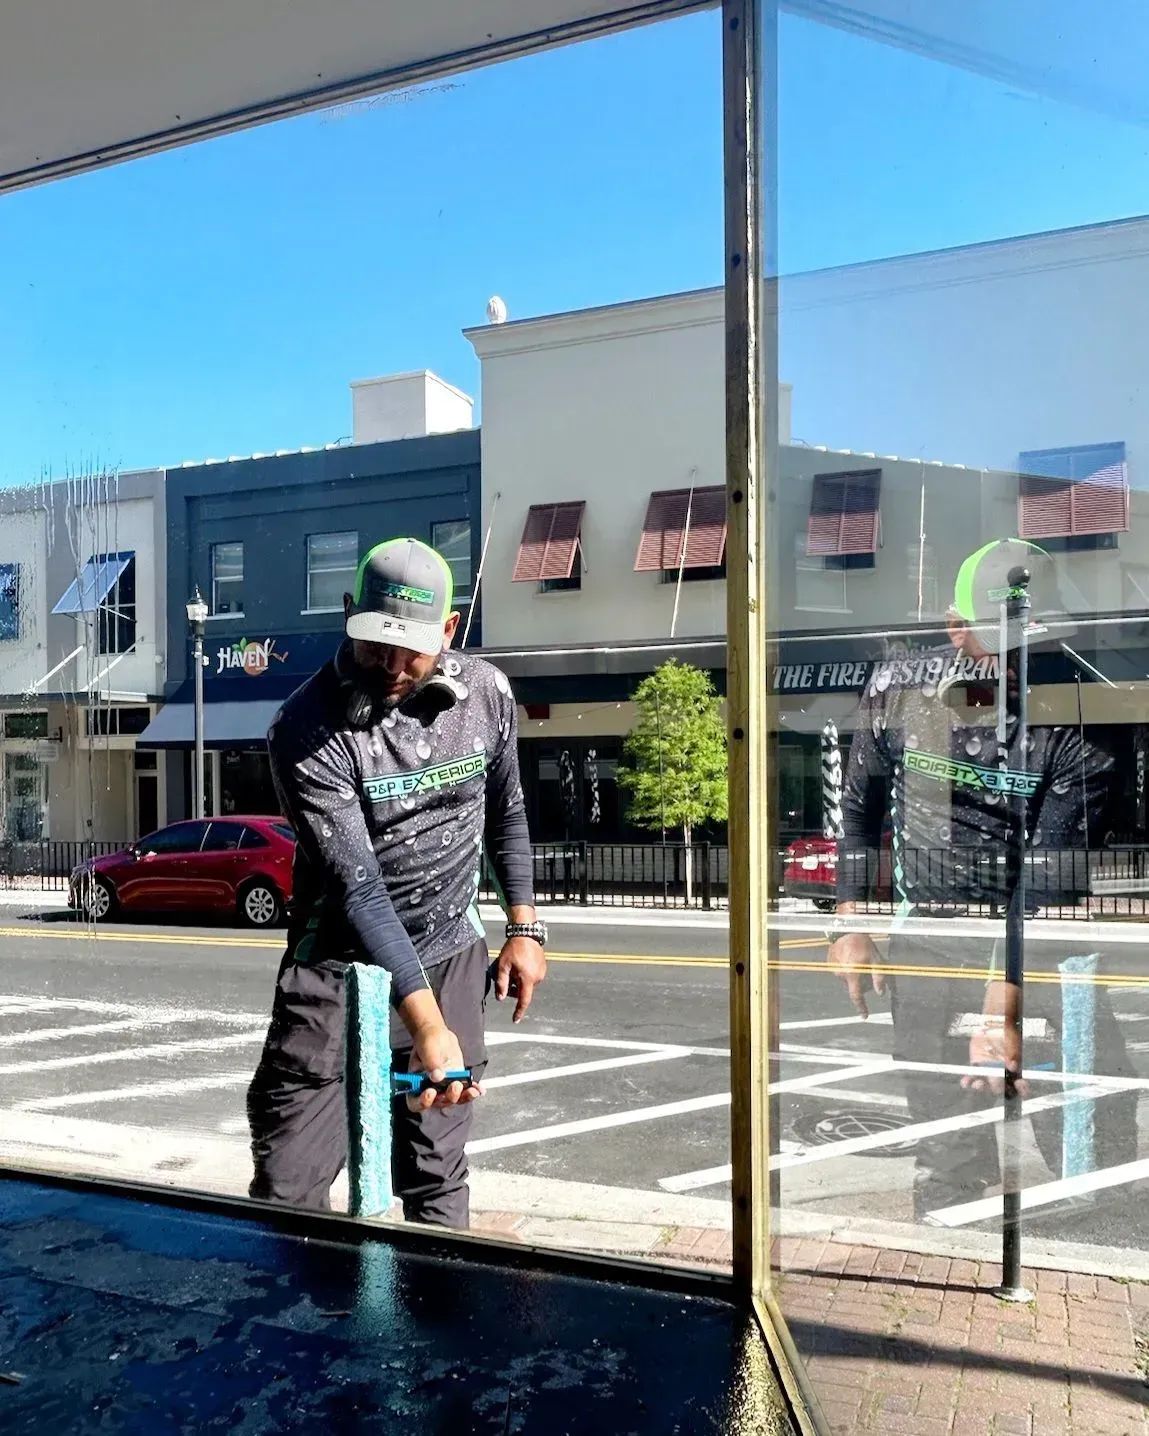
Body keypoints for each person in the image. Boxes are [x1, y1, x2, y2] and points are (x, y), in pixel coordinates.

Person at [827, 538, 1138, 1221]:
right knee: (947, 1150)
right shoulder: (900, 688)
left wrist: (999, 1017)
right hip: (932, 942)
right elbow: (858, 808)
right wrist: (851, 921)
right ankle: (946, 1252)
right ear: (953, 627)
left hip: (1048, 946)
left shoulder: (1081, 715)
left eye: (1031, 636)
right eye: (997, 639)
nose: (1016, 658)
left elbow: (1047, 879)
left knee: (1094, 1137)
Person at [247, 536, 547, 1227]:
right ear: (350, 612)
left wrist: (524, 929)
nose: (387, 664)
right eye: (373, 641)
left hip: (448, 957)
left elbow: (506, 814)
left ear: (448, 631)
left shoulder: (486, 695)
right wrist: (426, 1022)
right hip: (334, 972)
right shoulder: (303, 726)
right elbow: (358, 887)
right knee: (289, 1187)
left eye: (409, 648)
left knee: (437, 1174)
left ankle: (438, 1328)